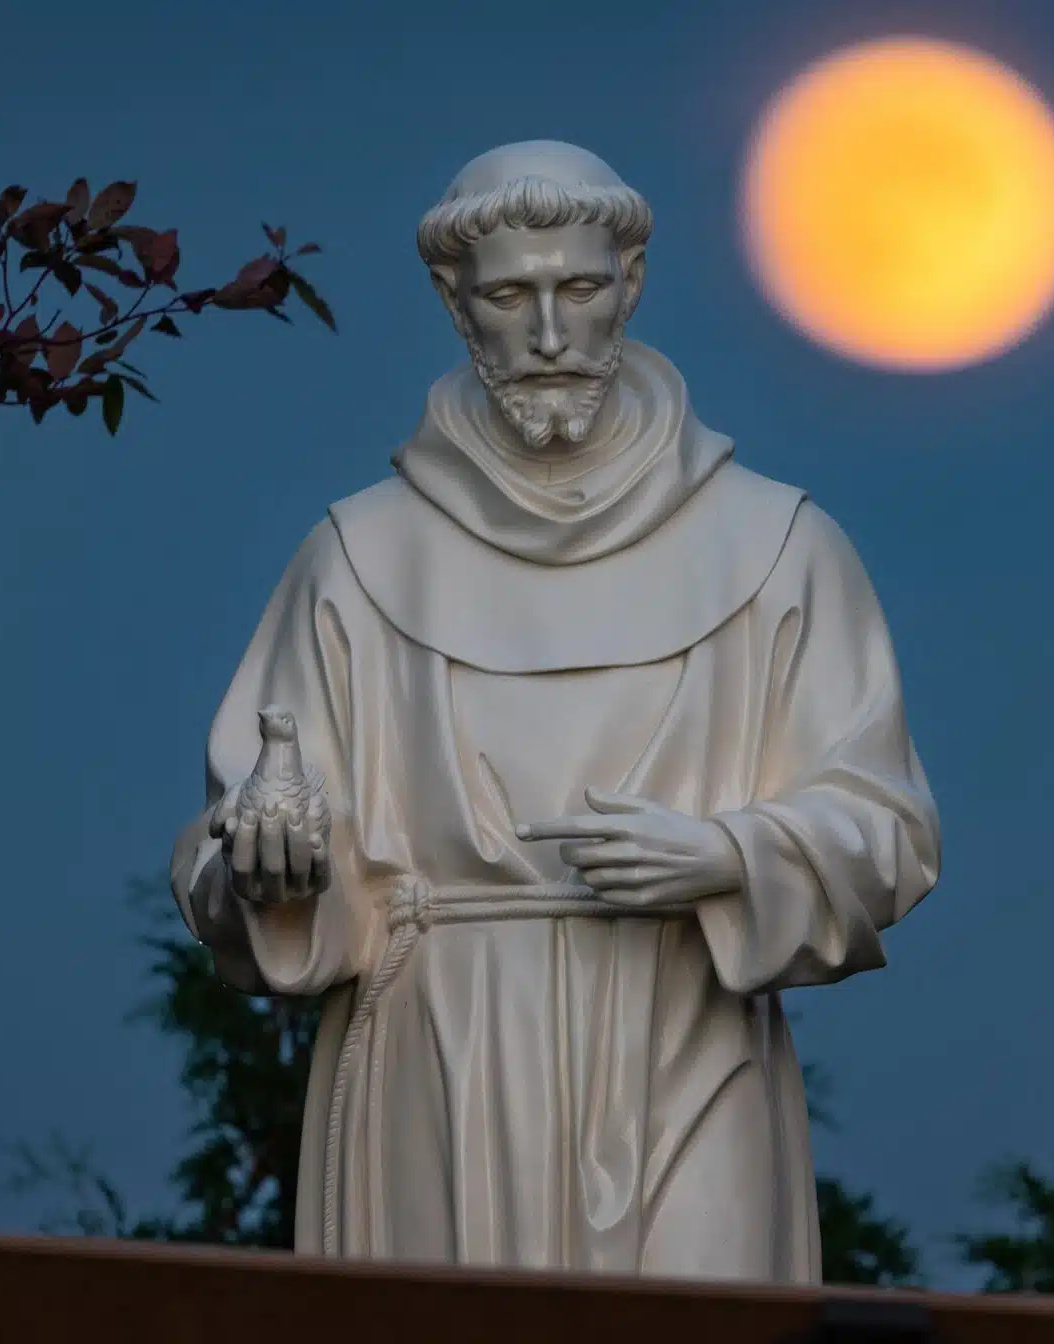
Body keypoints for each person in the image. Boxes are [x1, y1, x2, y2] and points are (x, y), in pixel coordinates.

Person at [169, 140, 940, 1281]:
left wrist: (727, 854)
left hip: (684, 1035)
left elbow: (890, 829)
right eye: (506, 297)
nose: (545, 334)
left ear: (628, 286)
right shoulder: (360, 558)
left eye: (577, 290)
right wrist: (274, 863)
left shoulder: (777, 547)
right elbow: (241, 855)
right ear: (453, 304)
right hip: (439, 1046)